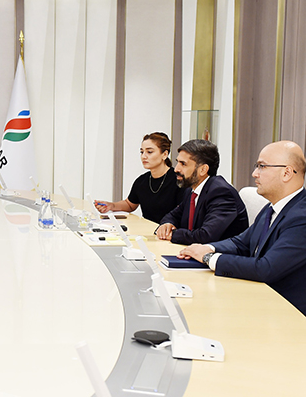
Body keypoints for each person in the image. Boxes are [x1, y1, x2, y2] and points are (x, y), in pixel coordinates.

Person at [178, 141, 306, 315]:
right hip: (262, 298)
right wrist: (207, 248)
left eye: (262, 166)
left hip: (287, 313)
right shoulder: (271, 208)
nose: (255, 174)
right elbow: (241, 243)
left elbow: (266, 269)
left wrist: (209, 258)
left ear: (286, 173)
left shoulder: (301, 217)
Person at [156, 139, 248, 245]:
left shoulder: (221, 193)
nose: (176, 169)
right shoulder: (191, 190)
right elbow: (174, 215)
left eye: (183, 164)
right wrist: (167, 224)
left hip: (219, 253)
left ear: (203, 170)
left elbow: (205, 236)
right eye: (177, 162)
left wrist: (173, 234)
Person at [94, 132, 185, 223]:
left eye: (149, 152)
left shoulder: (178, 180)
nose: (143, 156)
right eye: (142, 152)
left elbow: (182, 213)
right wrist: (111, 206)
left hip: (170, 230)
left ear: (164, 154)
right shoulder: (142, 181)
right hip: (147, 229)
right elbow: (130, 205)